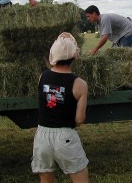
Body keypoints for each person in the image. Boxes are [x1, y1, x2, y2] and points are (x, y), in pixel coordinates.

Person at [32, 32, 89, 183]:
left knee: (46, 178)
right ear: (74, 56)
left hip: (42, 136)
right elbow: (79, 119)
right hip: (65, 137)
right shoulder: (80, 84)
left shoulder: (42, 77)